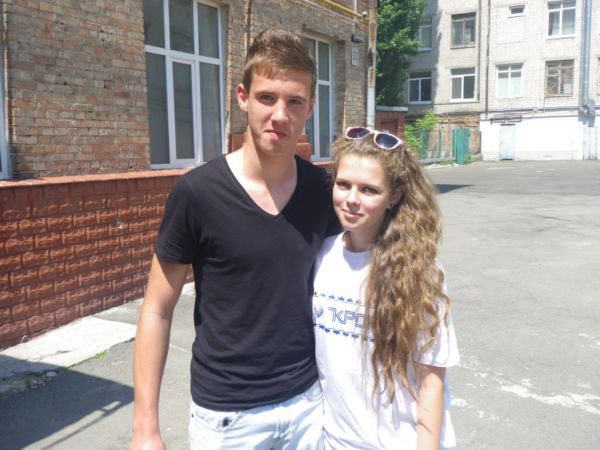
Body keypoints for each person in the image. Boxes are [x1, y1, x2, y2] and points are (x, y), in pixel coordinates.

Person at [129, 29, 338, 450]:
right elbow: (157, 309)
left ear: (311, 106)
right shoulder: (197, 193)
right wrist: (144, 428)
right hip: (228, 418)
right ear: (243, 97)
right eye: (267, 97)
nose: (280, 114)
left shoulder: (324, 191)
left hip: (309, 405)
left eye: (294, 101)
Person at [312, 127, 460, 449]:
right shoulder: (322, 256)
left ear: (394, 196)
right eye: (343, 184)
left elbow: (431, 382)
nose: (352, 199)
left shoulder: (420, 271)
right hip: (334, 442)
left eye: (369, 190)